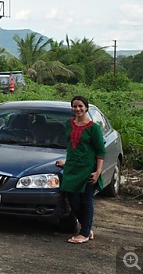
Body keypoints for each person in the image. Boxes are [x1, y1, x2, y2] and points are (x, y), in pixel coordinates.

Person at [56, 95, 105, 244]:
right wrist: (66, 163)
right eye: (75, 106)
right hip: (72, 169)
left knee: (86, 202)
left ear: (86, 108)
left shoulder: (93, 128)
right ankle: (87, 228)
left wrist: (97, 172)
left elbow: (100, 151)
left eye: (80, 106)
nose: (77, 109)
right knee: (73, 200)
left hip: (88, 170)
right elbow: (72, 146)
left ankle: (83, 234)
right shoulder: (69, 124)